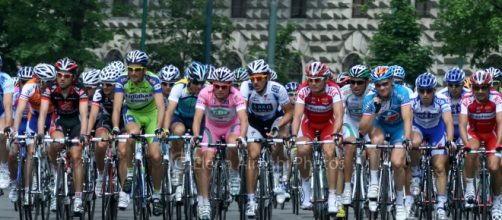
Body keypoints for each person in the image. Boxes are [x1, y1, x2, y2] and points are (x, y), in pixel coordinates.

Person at [111, 50, 165, 215]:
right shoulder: (122, 79)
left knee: (156, 156)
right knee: (132, 134)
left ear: (144, 69)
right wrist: (114, 127)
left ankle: (156, 195)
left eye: (137, 69)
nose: (133, 73)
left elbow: (161, 107)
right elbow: (117, 107)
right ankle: (130, 172)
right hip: (132, 113)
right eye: (131, 69)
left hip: (151, 114)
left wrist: (159, 128)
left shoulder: (153, 79)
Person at [191, 67, 248, 219]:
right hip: (212, 128)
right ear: (212, 85)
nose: (221, 90)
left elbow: (243, 119)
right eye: (217, 86)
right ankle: (204, 203)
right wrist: (196, 135)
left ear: (230, 86)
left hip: (231, 126)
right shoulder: (205, 93)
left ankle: (234, 174)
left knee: (232, 143)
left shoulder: (237, 95)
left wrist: (242, 137)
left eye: (224, 87)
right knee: (207, 161)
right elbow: (197, 118)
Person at [240, 59, 294, 216]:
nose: (255, 82)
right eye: (252, 78)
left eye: (259, 78)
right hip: (254, 122)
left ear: (268, 77)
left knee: (279, 139)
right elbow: (242, 110)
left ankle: (277, 176)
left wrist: (277, 128)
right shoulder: (246, 87)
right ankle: (251, 201)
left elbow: (289, 112)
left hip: (274, 120)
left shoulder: (278, 89)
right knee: (253, 156)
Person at [359, 65, 412, 220]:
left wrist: (407, 139)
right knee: (376, 140)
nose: (381, 88)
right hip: (380, 126)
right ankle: (374, 182)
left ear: (391, 81)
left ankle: (401, 202)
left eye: (385, 84)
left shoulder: (401, 92)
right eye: (378, 85)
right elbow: (362, 129)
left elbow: (407, 118)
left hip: (398, 128)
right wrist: (374, 110)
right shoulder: (370, 97)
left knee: (397, 163)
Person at [290, 61, 344, 213]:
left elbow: (339, 115)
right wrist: (294, 136)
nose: (313, 84)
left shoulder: (334, 89)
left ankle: (333, 196)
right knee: (302, 150)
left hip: (328, 124)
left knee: (329, 152)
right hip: (309, 124)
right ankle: (306, 187)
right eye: (310, 80)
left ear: (325, 79)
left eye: (317, 80)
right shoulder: (303, 90)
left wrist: (335, 134)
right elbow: (298, 116)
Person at [37, 58, 88, 213]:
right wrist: (40, 133)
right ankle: (55, 175)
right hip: (60, 121)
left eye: (66, 76)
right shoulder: (50, 89)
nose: (62, 79)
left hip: (76, 123)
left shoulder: (80, 91)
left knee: (76, 155)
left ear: (73, 77)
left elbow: (84, 114)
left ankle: (78, 198)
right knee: (55, 143)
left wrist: (84, 134)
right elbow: (43, 112)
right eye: (59, 75)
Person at [409, 73, 454, 220]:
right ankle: (416, 175)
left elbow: (448, 122)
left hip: (436, 131)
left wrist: (450, 140)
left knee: (440, 167)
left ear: (434, 90)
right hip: (419, 129)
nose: (425, 94)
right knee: (414, 143)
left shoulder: (442, 100)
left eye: (429, 91)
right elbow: (407, 121)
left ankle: (440, 205)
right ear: (418, 90)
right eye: (422, 90)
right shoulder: (412, 100)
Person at [459, 70, 502, 219]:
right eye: (476, 88)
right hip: (475, 133)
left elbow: (500, 122)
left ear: (489, 87)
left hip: (492, 133)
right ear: (472, 88)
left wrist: (498, 145)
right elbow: (463, 124)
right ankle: (470, 186)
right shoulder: (466, 99)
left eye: (484, 87)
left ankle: (497, 202)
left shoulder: (497, 98)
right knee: (471, 151)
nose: (480, 91)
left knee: (494, 167)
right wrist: (465, 144)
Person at [162, 61, 207, 202]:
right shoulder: (179, 86)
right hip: (180, 117)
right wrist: (164, 129)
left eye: (202, 83)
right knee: (178, 132)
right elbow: (169, 111)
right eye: (196, 82)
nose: (199, 86)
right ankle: (177, 166)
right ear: (189, 79)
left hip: (198, 119)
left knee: (200, 150)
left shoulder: (206, 89)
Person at [12, 64, 56, 205]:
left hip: (53, 116)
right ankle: (27, 191)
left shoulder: (55, 88)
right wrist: (14, 131)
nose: (49, 84)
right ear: (38, 80)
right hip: (36, 117)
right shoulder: (29, 87)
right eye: (46, 81)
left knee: (50, 150)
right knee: (31, 153)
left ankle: (55, 176)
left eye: (51, 81)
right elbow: (19, 111)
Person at [338, 65, 373, 205]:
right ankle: (347, 188)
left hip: (369, 123)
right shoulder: (344, 92)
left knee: (374, 149)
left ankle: (373, 182)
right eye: (352, 82)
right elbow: (339, 114)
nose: (355, 86)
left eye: (359, 82)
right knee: (350, 146)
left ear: (367, 82)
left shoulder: (373, 92)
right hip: (351, 122)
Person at [86, 65, 122, 196]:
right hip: (106, 119)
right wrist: (88, 132)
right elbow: (94, 115)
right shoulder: (99, 92)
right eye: (102, 84)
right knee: (100, 143)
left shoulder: (123, 91)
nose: (105, 87)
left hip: (123, 119)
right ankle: (101, 174)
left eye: (109, 84)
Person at [8, 66, 33, 203]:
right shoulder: (15, 93)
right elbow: (10, 114)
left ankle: (34, 181)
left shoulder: (36, 92)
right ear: (19, 83)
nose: (27, 84)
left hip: (31, 122)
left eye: (30, 81)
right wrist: (12, 131)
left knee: (33, 152)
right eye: (24, 81)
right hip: (18, 122)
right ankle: (13, 183)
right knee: (12, 154)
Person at [437, 67, 470, 142]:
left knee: (463, 146)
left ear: (462, 84)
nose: (454, 88)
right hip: (446, 127)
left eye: (457, 85)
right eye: (450, 85)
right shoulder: (440, 95)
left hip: (465, 127)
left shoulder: (469, 95)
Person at [0, 55, 14, 190]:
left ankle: (3, 168)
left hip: (1, 112)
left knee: (1, 135)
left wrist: (8, 127)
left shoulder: (5, 79)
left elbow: (8, 106)